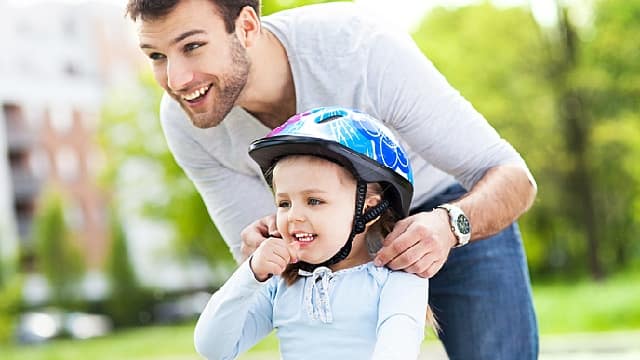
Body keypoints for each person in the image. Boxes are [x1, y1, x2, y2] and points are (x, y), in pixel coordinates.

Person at [127, 0, 539, 358]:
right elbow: (262, 258)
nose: (176, 80)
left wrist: (451, 225)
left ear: (248, 27)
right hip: (329, 240)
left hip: (450, 212)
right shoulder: (185, 122)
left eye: (193, 46)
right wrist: (263, 249)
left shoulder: (358, 49)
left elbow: (514, 179)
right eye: (156, 56)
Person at [194, 107, 430, 359]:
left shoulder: (398, 279)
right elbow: (213, 348)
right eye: (284, 203)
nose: (293, 216)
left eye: (314, 201)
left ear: (367, 208)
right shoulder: (281, 284)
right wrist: (251, 274)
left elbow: (396, 350)